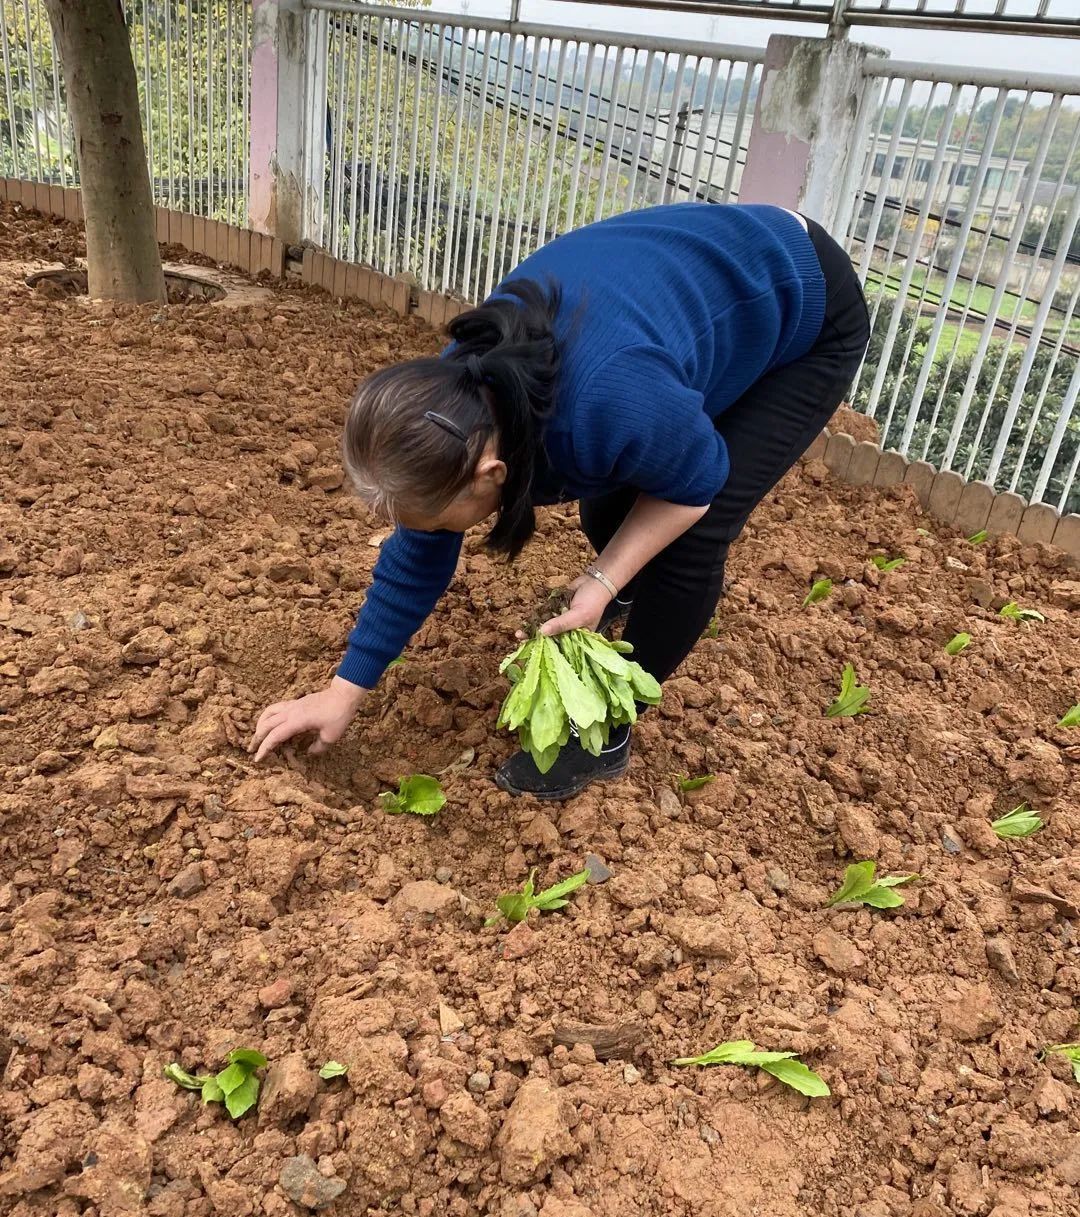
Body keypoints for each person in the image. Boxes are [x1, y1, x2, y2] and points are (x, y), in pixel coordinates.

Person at [250, 202, 870, 800]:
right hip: (685, 299)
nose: (429, 533)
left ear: (489, 472)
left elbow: (694, 488)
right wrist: (342, 690)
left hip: (803, 301)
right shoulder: (447, 408)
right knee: (613, 500)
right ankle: (621, 596)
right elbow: (418, 553)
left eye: (438, 521)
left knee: (689, 539)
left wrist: (601, 579)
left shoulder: (607, 399)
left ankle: (607, 724)